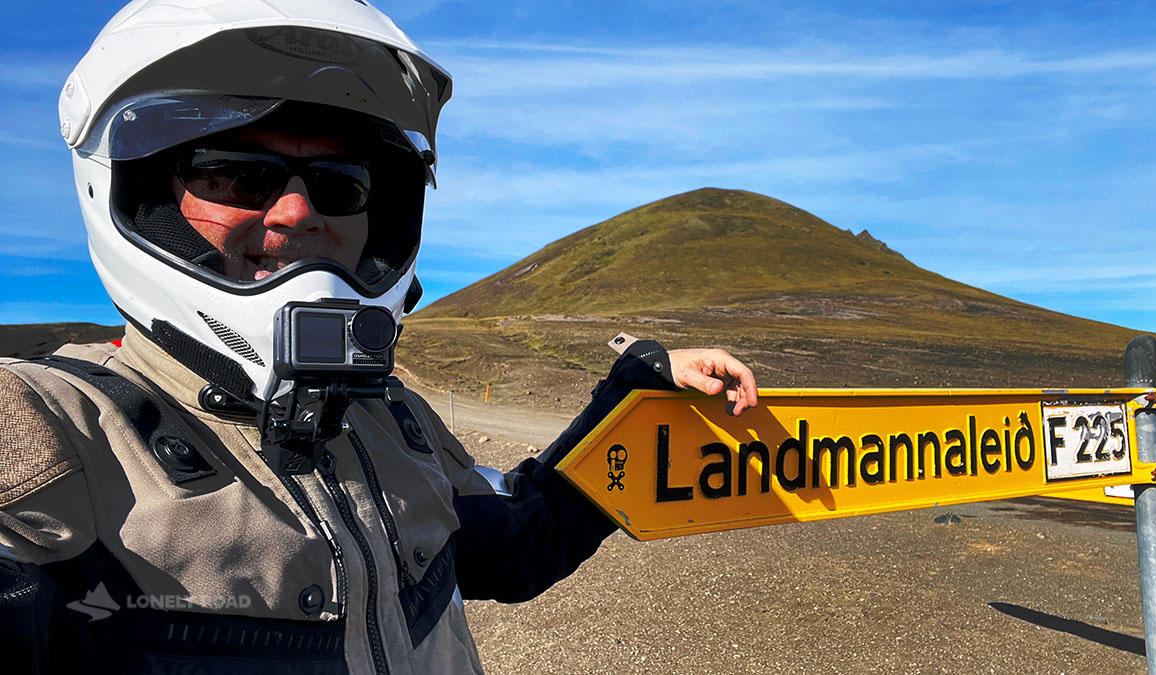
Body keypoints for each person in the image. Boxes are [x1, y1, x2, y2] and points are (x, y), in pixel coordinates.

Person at [0, 1, 758, 673]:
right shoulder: (51, 436)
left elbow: (520, 543)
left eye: (341, 187)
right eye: (234, 175)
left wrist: (633, 387)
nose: (297, 214)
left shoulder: (389, 418)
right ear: (140, 193)